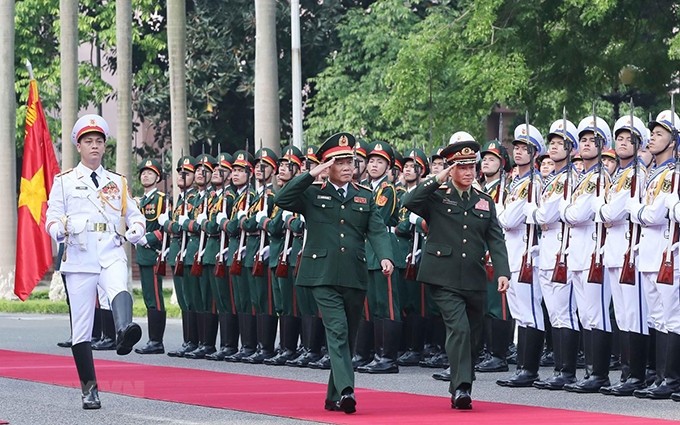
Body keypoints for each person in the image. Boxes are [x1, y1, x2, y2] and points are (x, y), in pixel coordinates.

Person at [274, 132, 394, 414]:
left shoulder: (365, 196)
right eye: (340, 163)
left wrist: (386, 256)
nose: (348, 167)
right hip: (322, 274)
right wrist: (311, 173)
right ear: (329, 166)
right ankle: (348, 391)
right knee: (338, 331)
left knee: (349, 335)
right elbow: (282, 198)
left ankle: (332, 396)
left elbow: (376, 230)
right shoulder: (313, 193)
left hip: (354, 273)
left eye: (350, 161)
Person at [45, 114, 146, 409]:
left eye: (99, 141)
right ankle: (89, 389)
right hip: (79, 256)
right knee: (81, 329)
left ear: (104, 147)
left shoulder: (117, 181)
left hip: (111, 250)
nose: (94, 146)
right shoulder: (64, 182)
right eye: (88, 141)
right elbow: (51, 216)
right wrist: (56, 230)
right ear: (79, 146)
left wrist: (137, 229)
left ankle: (125, 330)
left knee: (118, 286)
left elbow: (134, 215)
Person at [402, 136, 510, 410]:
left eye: (471, 167)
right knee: (459, 329)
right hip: (443, 275)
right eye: (461, 167)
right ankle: (461, 387)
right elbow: (409, 201)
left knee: (473, 336)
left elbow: (495, 238)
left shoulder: (484, 201)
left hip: (473, 277)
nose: (468, 172)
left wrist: (502, 271)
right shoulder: (437, 195)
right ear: (451, 169)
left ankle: (462, 374)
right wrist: (436, 179)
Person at [133, 158, 167, 354]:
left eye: (150, 173)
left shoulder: (161, 198)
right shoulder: (140, 201)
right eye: (143, 173)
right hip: (142, 253)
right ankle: (152, 339)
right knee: (148, 297)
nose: (146, 175)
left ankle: (156, 341)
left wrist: (151, 238)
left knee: (155, 296)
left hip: (154, 252)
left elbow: (166, 227)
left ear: (158, 177)